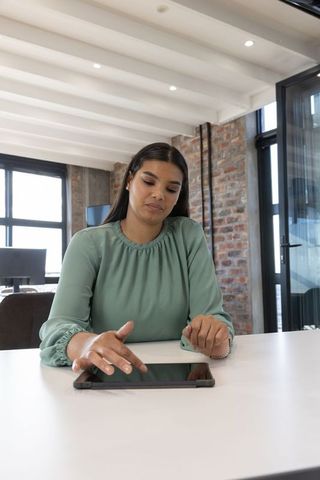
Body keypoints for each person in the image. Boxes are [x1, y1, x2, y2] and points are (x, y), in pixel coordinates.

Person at [40, 142, 234, 375]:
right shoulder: (87, 243)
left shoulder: (189, 235)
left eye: (172, 189)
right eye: (149, 181)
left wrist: (218, 341)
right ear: (129, 181)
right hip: (109, 376)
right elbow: (57, 327)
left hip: (181, 378)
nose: (159, 194)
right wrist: (86, 343)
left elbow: (212, 319)